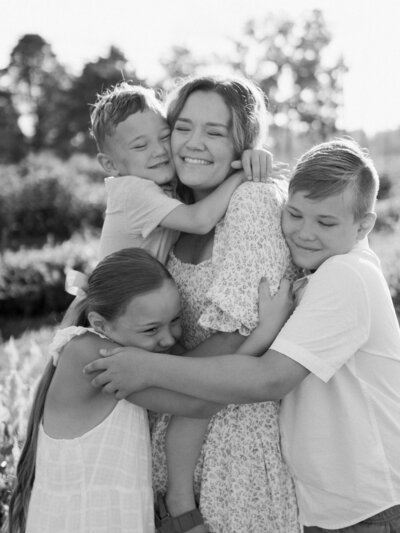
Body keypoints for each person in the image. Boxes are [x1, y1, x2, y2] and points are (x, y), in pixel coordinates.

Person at [85, 139, 400, 533]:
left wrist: (147, 366)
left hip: (369, 509)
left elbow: (270, 379)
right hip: (335, 506)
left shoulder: (345, 275)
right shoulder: (324, 266)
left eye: (325, 222)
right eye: (295, 214)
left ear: (364, 226)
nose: (304, 233)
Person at [87, 75, 301, 533]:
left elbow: (235, 337)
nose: (191, 144)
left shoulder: (251, 201)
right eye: (182, 127)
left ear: (243, 144)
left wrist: (144, 372)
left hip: (231, 455)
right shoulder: (171, 204)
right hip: (168, 434)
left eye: (216, 131)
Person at [7, 247, 292, 533]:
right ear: (99, 324)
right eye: (151, 330)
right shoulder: (94, 355)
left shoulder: (116, 347)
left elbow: (191, 382)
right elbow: (199, 403)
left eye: (176, 321)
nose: (168, 339)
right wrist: (263, 333)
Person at [90, 82, 276, 263]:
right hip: (116, 294)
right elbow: (198, 221)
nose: (159, 151)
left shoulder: (167, 184)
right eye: (140, 146)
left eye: (164, 137)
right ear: (110, 164)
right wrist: (241, 175)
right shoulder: (132, 192)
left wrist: (251, 156)